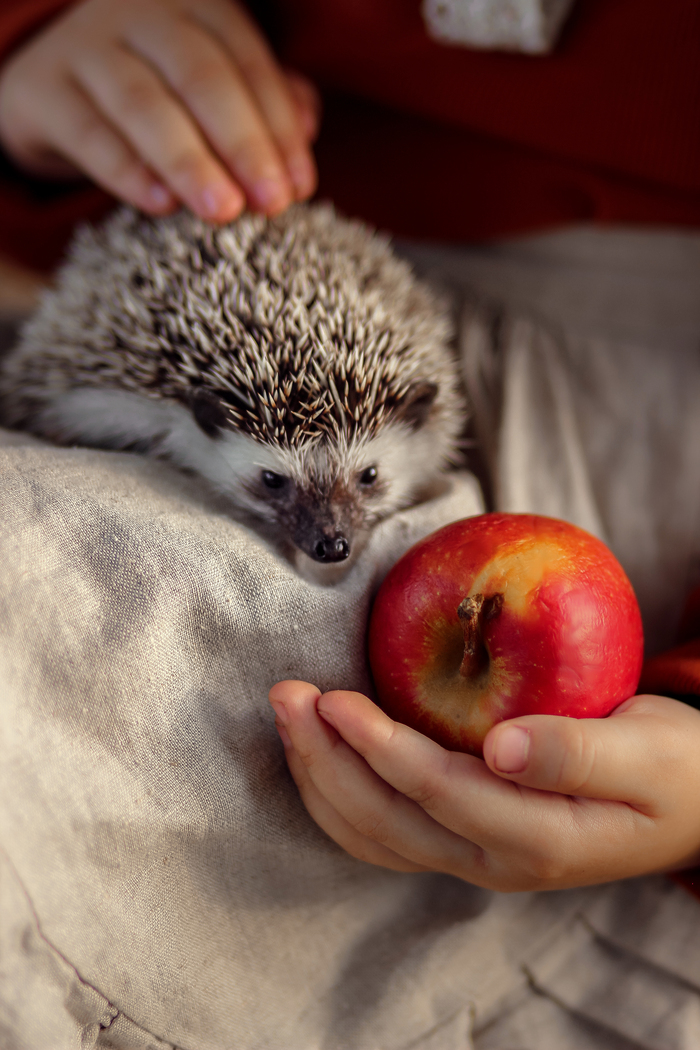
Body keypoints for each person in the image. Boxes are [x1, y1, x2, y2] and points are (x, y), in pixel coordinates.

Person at [1, 0, 699, 903]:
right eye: (278, 485)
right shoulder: (148, 390)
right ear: (201, 426)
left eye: (366, 482)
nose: (330, 529)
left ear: (415, 430)